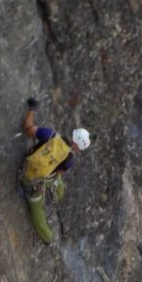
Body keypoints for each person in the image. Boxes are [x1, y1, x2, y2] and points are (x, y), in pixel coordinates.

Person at [20, 98, 90, 244]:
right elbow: (58, 174)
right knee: (38, 211)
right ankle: (48, 238)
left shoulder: (50, 135)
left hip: (26, 169)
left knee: (53, 184)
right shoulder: (70, 159)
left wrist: (32, 108)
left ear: (73, 134)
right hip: (33, 183)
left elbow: (28, 128)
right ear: (78, 148)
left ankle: (52, 194)